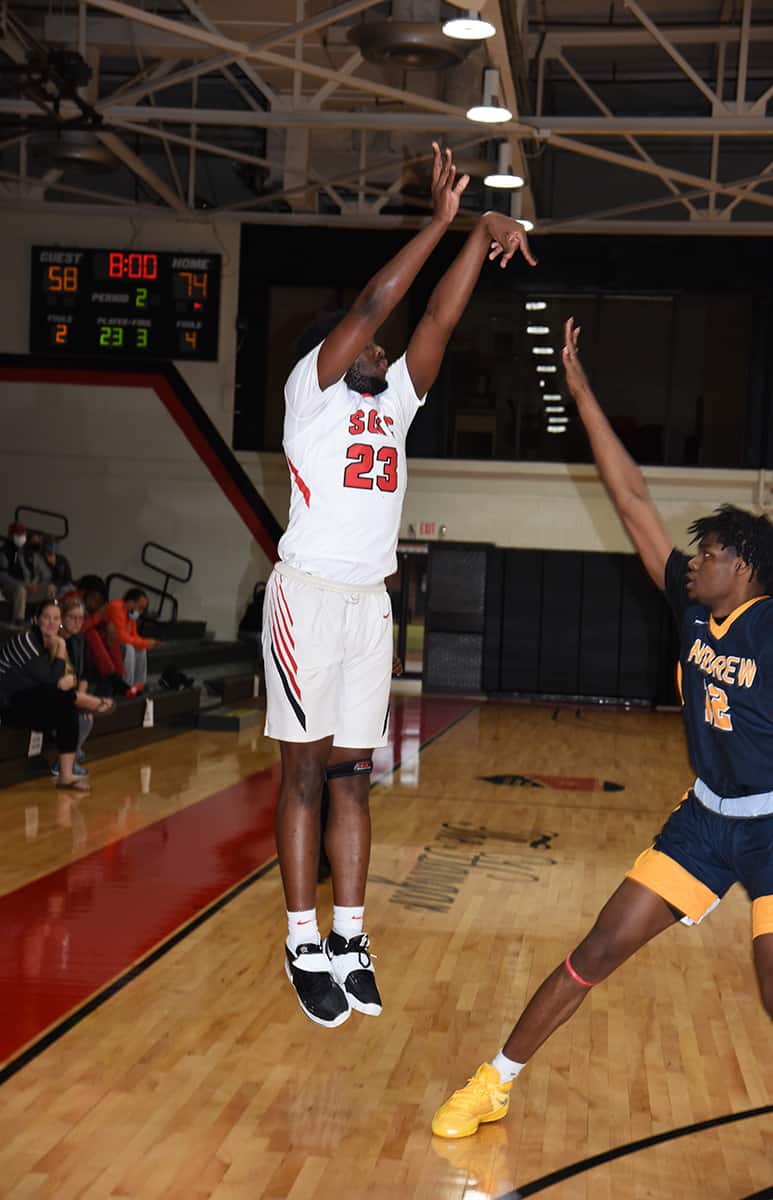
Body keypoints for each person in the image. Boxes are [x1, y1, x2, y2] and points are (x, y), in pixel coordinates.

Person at [431, 316, 773, 1138]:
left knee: (770, 985)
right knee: (599, 945)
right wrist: (579, 391)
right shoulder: (691, 611)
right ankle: (494, 1082)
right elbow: (629, 496)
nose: (692, 561)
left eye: (709, 553)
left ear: (746, 568)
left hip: (770, 824)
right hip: (702, 820)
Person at [262, 141, 536, 1030]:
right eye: (365, 345)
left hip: (370, 606)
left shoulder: (396, 404)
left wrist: (478, 240)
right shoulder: (314, 396)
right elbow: (378, 302)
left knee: (352, 776)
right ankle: (302, 939)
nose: (381, 346)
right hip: (306, 596)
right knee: (302, 772)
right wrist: (440, 221)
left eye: (380, 347)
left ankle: (349, 935)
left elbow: (436, 325)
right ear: (330, 358)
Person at [0, 600, 114, 791]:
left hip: (26, 700)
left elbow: (60, 679)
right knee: (62, 696)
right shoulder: (26, 640)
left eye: (56, 618)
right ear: (36, 620)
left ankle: (66, 776)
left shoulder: (45, 642)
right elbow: (51, 678)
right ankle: (91, 702)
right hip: (6, 706)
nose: (52, 623)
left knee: (66, 705)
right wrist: (61, 645)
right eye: (46, 618)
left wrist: (65, 681)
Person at [50, 597, 109, 778]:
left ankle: (74, 751)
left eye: (80, 618)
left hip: (71, 693)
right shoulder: (53, 641)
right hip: (52, 693)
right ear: (62, 618)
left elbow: (85, 673)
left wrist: (81, 697)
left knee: (86, 713)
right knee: (83, 719)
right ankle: (63, 763)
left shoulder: (79, 639)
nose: (77, 622)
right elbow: (53, 679)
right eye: (72, 618)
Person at [103, 587, 160, 692]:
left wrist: (146, 644)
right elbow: (121, 637)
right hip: (108, 644)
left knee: (141, 649)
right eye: (140, 607)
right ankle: (126, 686)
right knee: (129, 647)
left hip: (119, 645)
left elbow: (134, 636)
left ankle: (138, 686)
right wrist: (145, 643)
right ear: (130, 602)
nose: (141, 612)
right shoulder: (116, 607)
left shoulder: (131, 615)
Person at [0, 521, 55, 625]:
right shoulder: (4, 552)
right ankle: (18, 622)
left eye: (23, 534)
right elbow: (2, 576)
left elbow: (46, 574)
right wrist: (24, 585)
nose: (21, 537)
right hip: (11, 589)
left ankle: (47, 617)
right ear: (11, 535)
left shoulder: (30, 553)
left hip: (32, 587)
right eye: (18, 534)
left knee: (50, 588)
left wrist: (36, 584)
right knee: (21, 590)